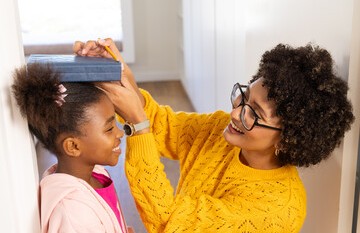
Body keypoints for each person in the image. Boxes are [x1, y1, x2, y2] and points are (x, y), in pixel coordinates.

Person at [74, 39, 354, 232]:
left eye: (253, 113)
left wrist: (137, 122)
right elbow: (165, 127)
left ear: (287, 139)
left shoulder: (277, 210)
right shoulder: (221, 131)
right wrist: (124, 79)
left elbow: (168, 222)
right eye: (244, 96)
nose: (235, 113)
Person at [11, 63, 136, 233]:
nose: (120, 133)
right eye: (109, 129)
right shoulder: (73, 214)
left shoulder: (98, 174)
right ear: (73, 146)